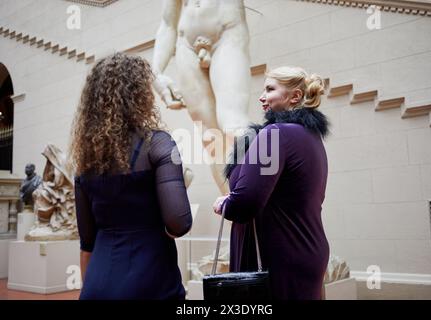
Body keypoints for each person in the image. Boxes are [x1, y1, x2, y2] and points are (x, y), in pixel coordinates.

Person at [69, 52, 192, 300]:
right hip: (151, 282)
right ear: (139, 94)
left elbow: (87, 242)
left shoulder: (85, 159)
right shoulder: (159, 144)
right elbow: (179, 222)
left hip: (97, 284)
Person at [213, 66, 330, 300]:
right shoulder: (310, 136)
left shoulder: (274, 134)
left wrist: (224, 204)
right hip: (306, 250)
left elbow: (245, 203)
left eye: (269, 89)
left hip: (278, 256)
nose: (261, 96)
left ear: (295, 96)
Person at [152, 0, 251, 194]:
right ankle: (234, 211)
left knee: (234, 124)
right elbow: (168, 23)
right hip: (185, 43)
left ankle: (259, 203)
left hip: (227, 30)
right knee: (210, 138)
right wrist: (155, 73)